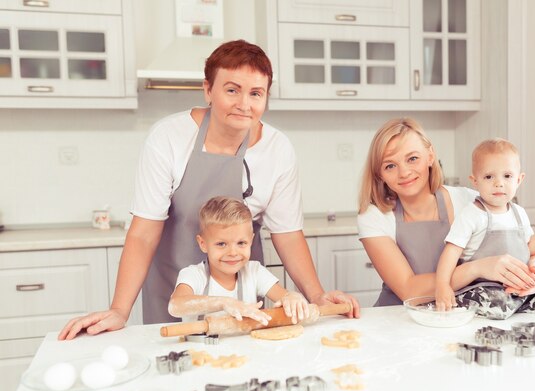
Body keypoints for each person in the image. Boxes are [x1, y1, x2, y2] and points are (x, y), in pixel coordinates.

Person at [59, 39, 358, 340]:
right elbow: (143, 232)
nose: (244, 104)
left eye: (256, 93)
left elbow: (288, 235)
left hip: (240, 291)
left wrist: (316, 295)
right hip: (174, 283)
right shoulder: (169, 137)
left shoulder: (277, 150)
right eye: (231, 90)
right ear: (208, 90)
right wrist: (119, 310)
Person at [357, 118, 535, 307]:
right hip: (397, 317)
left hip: (456, 314)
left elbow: (520, 246)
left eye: (413, 159)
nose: (404, 172)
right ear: (379, 174)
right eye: (390, 165)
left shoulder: (470, 202)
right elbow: (408, 290)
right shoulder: (373, 217)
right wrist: (478, 269)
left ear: (430, 156)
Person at [434, 138, 535, 311]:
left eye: (507, 176)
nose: (499, 183)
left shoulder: (519, 213)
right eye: (489, 176)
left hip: (517, 291)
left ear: (519, 180)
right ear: (475, 181)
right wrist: (442, 285)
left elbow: (530, 247)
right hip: (482, 291)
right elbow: (450, 253)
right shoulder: (472, 215)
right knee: (500, 303)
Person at [168, 196, 309, 324]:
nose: (233, 253)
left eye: (241, 243)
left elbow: (284, 296)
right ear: (203, 244)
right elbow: (175, 306)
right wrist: (223, 303)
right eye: (221, 244)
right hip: (200, 350)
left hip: (244, 350)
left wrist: (292, 297)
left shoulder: (254, 272)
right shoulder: (193, 275)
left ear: (251, 241)